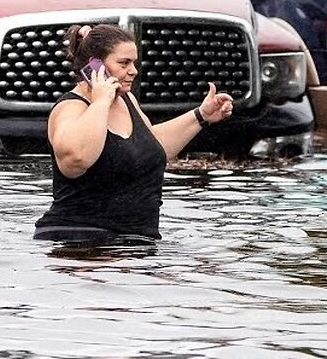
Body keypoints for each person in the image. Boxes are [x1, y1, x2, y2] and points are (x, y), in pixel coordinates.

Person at [33, 23, 235, 243]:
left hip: (134, 241)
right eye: (124, 63)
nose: (133, 71)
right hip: (81, 240)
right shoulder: (71, 107)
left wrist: (201, 116)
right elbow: (75, 160)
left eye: (134, 63)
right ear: (95, 65)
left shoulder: (127, 100)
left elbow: (150, 149)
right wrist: (101, 100)